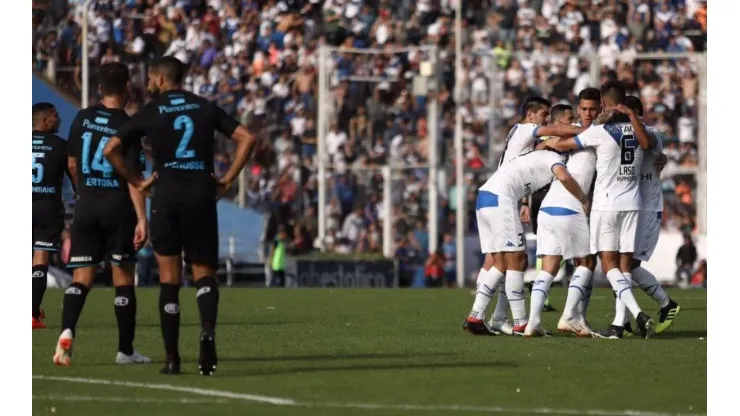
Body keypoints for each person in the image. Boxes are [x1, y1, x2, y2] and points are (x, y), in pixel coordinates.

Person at [103, 56, 258, 375]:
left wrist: (137, 181)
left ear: (161, 80)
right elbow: (247, 138)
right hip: (201, 192)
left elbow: (111, 149)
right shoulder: (203, 106)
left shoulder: (152, 111)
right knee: (204, 273)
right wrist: (227, 180)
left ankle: (172, 358)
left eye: (150, 78)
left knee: (169, 278)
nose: (147, 84)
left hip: (167, 193)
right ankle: (207, 334)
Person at [53, 62, 152, 366]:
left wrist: (83, 191)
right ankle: (125, 350)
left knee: (81, 277)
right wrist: (142, 218)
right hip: (117, 207)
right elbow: (134, 178)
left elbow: (71, 163)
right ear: (128, 89)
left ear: (98, 88)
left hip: (86, 207)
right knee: (123, 279)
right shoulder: (129, 125)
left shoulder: (82, 118)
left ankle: (67, 329)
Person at [541, 81, 657, 339]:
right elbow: (650, 147)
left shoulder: (600, 132)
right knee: (624, 266)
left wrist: (550, 141)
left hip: (605, 205)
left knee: (607, 265)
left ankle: (638, 313)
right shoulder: (642, 131)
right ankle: (618, 323)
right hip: (633, 204)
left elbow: (563, 146)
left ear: (604, 104)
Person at [463, 149, 590, 336]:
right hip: (501, 199)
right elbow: (563, 177)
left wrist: (524, 203)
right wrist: (583, 199)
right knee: (518, 260)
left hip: (485, 197)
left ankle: (476, 316)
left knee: (500, 263)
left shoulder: (535, 155)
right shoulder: (553, 158)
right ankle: (521, 323)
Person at [487, 97, 585, 335]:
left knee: (502, 261)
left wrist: (523, 201)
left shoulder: (528, 139)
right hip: (509, 196)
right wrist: (589, 131)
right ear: (532, 115)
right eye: (569, 120)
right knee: (510, 261)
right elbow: (552, 139)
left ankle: (494, 316)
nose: (547, 121)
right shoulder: (529, 131)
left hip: (510, 194)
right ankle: (508, 320)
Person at [609, 96, 680, 336]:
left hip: (648, 208)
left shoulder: (651, 133)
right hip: (628, 207)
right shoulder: (617, 134)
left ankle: (665, 304)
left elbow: (649, 146)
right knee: (621, 264)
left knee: (629, 264)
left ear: (635, 112)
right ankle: (624, 320)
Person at [525, 105, 596, 337]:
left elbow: (545, 144)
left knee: (549, 268)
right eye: (569, 120)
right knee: (585, 263)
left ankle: (533, 322)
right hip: (568, 206)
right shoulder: (586, 140)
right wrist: (584, 199)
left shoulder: (551, 145)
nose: (574, 122)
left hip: (546, 207)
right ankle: (568, 316)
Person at [32, 103, 70, 329]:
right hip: (47, 207)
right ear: (45, 121)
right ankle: (32, 314)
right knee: (41, 258)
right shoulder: (60, 146)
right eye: (55, 116)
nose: (59, 119)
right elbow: (74, 171)